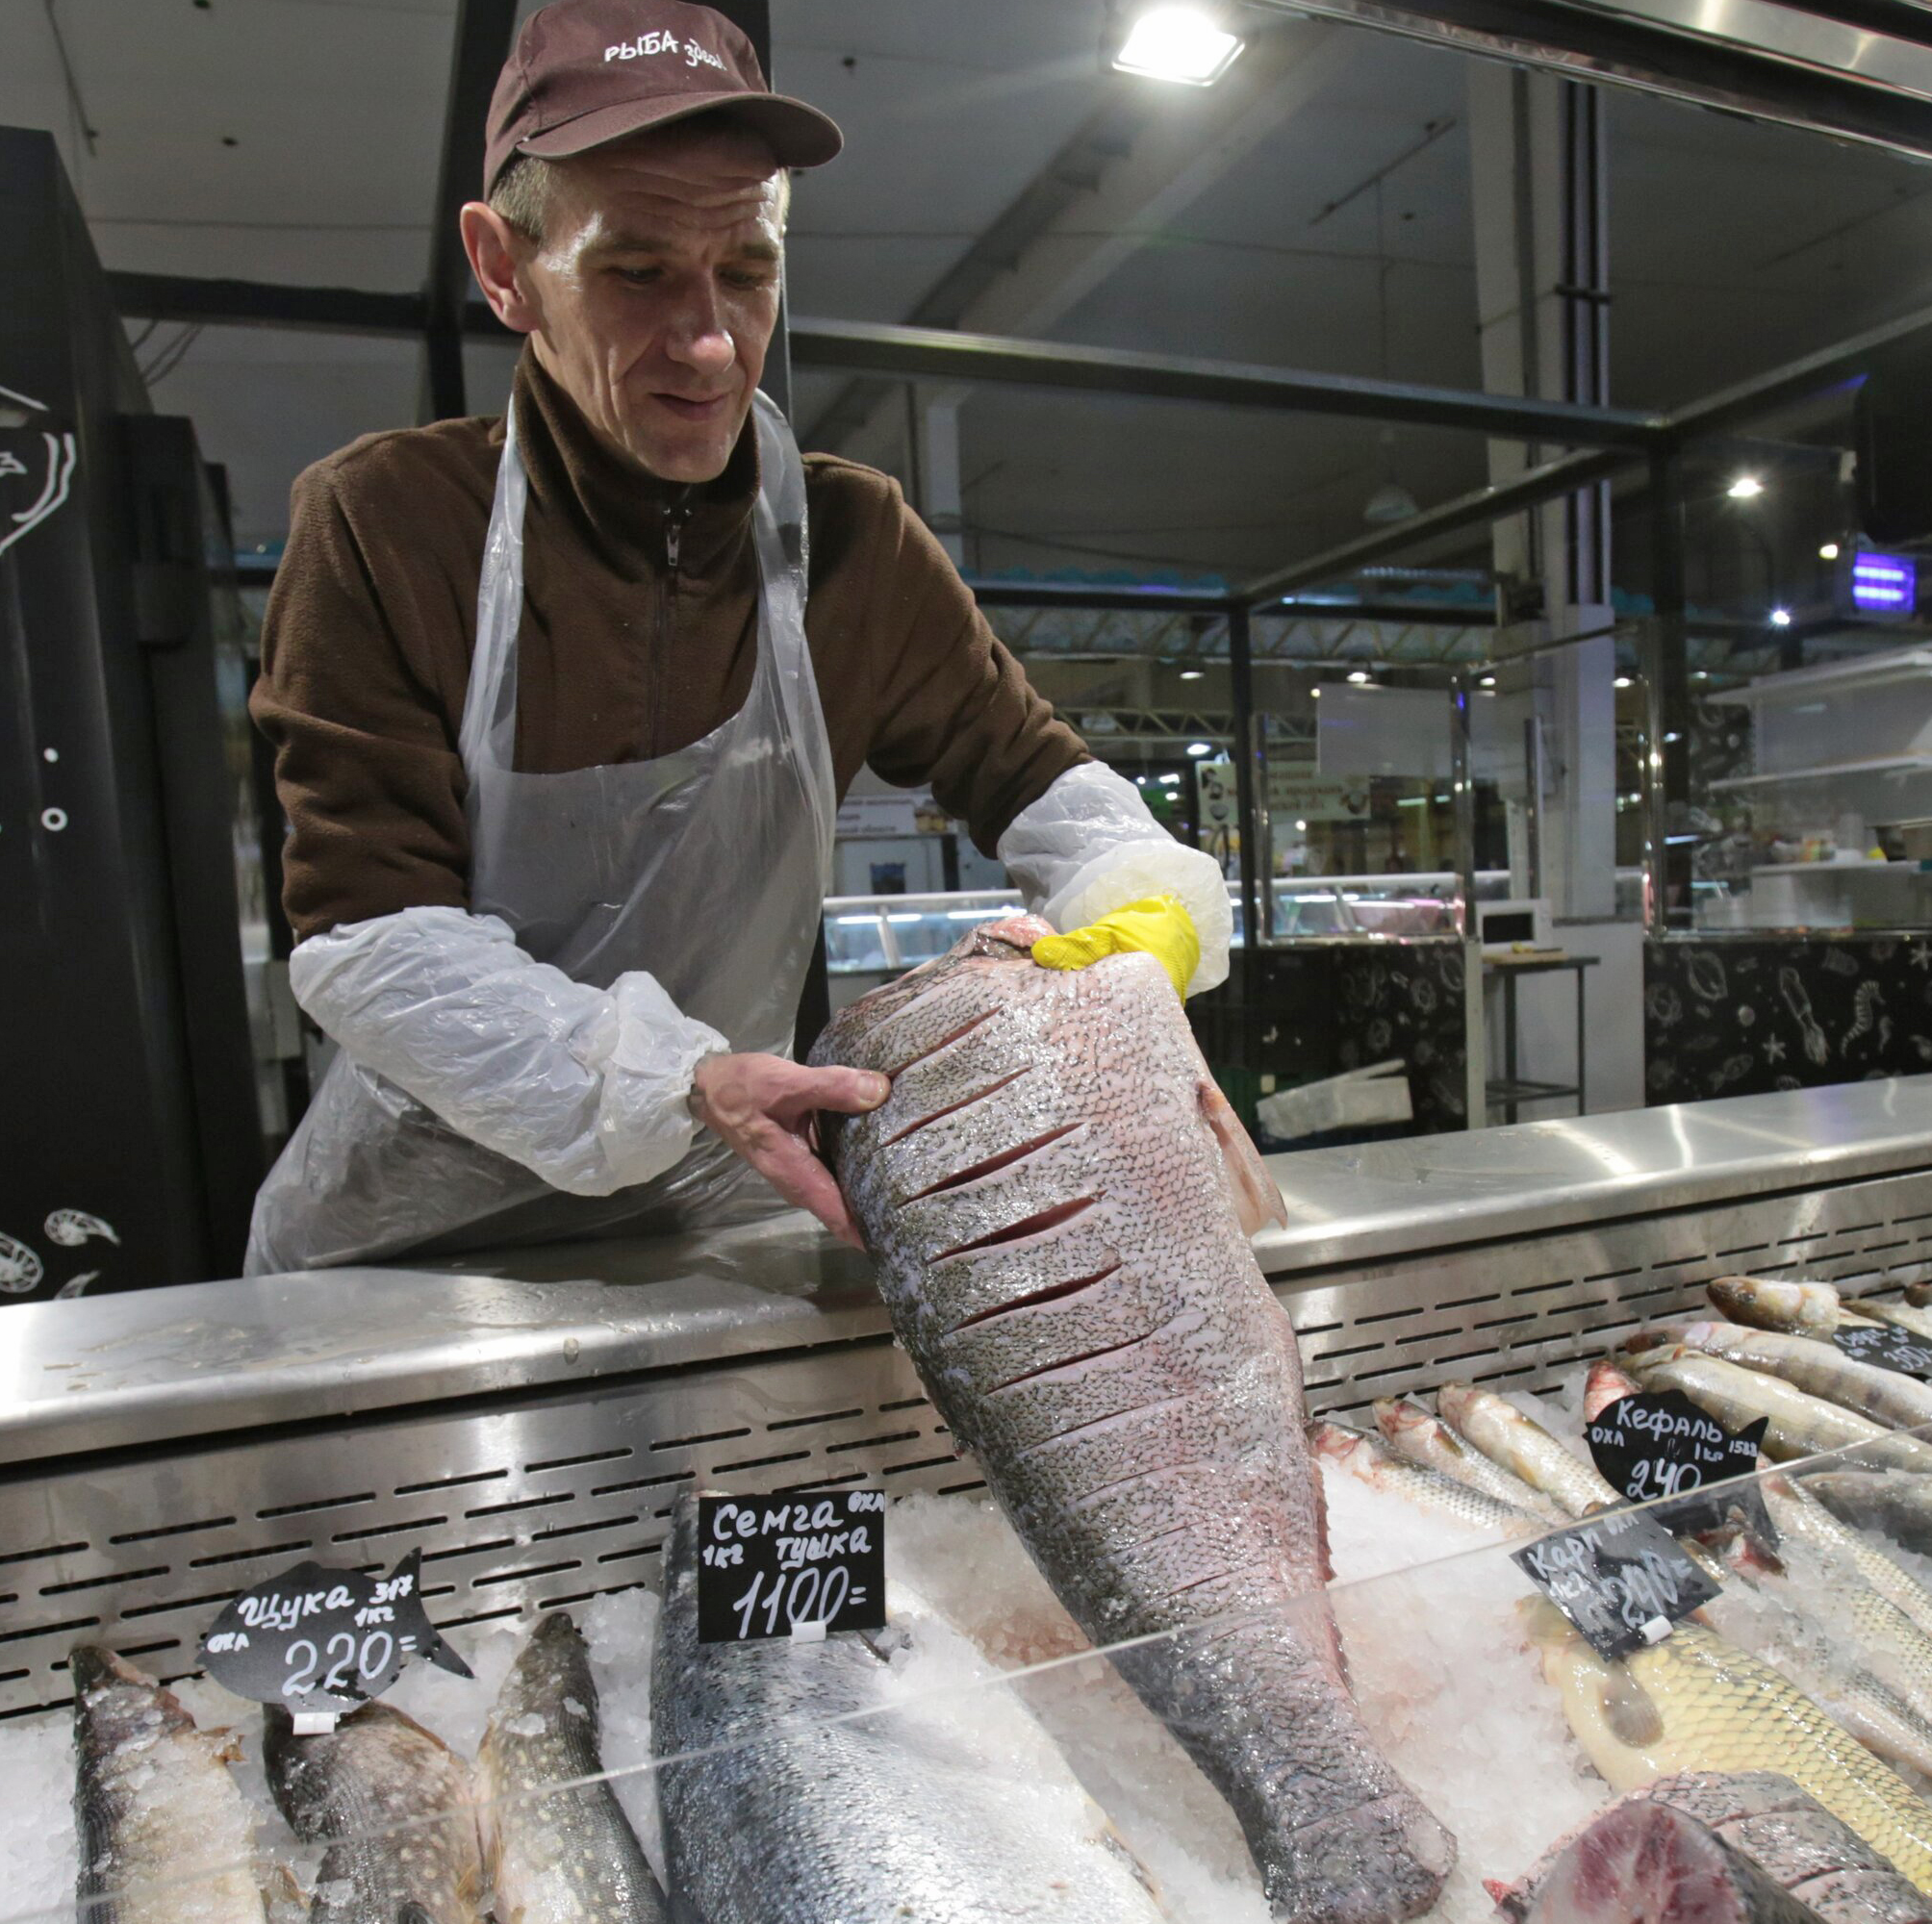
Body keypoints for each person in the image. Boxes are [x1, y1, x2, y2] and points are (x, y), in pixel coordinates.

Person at [242, 0, 1225, 1273]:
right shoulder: (388, 526)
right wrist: (678, 1079)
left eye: (747, 270)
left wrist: (1138, 930)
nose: (709, 343)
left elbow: (1060, 799)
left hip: (716, 1240)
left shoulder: (853, 548)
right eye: (637, 271)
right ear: (504, 267)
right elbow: (371, 940)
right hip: (414, 1260)